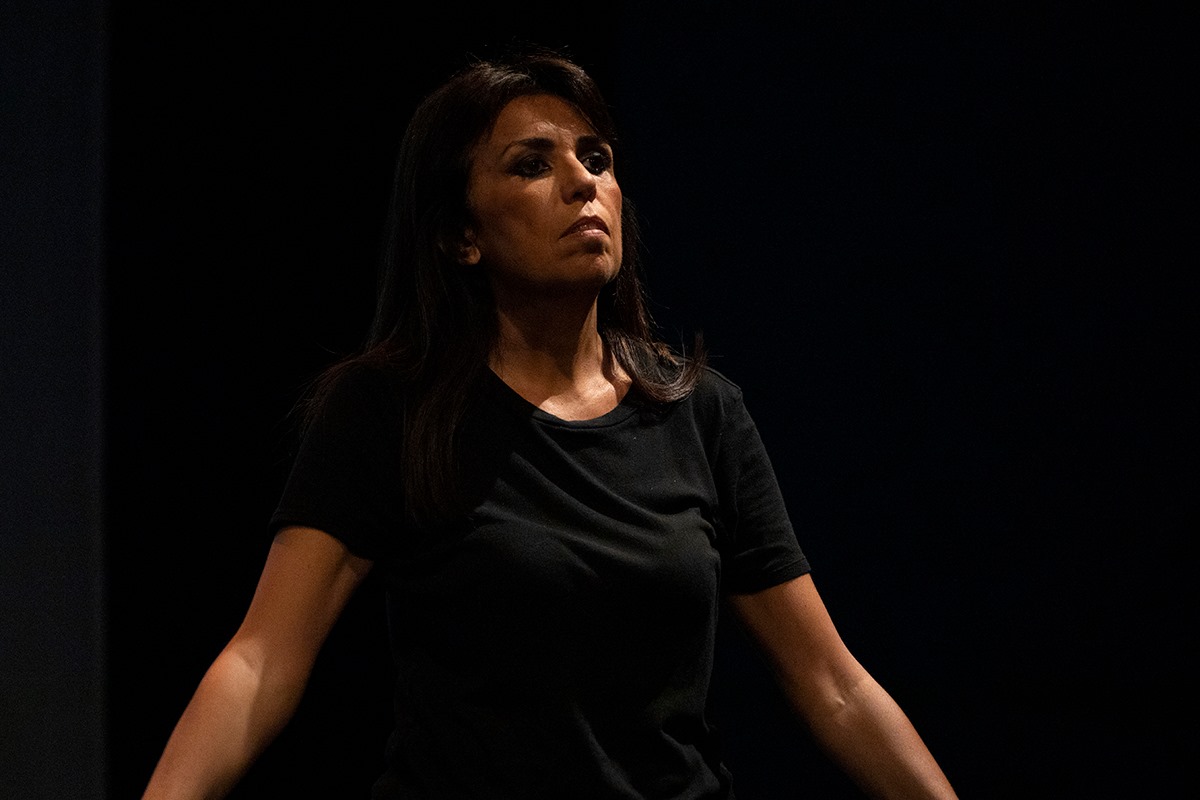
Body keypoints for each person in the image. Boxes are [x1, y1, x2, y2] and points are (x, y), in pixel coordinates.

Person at [141, 47, 959, 800]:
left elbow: (833, 684)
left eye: (596, 160)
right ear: (462, 236)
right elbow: (261, 661)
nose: (582, 184)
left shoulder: (700, 412)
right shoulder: (391, 410)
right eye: (532, 165)